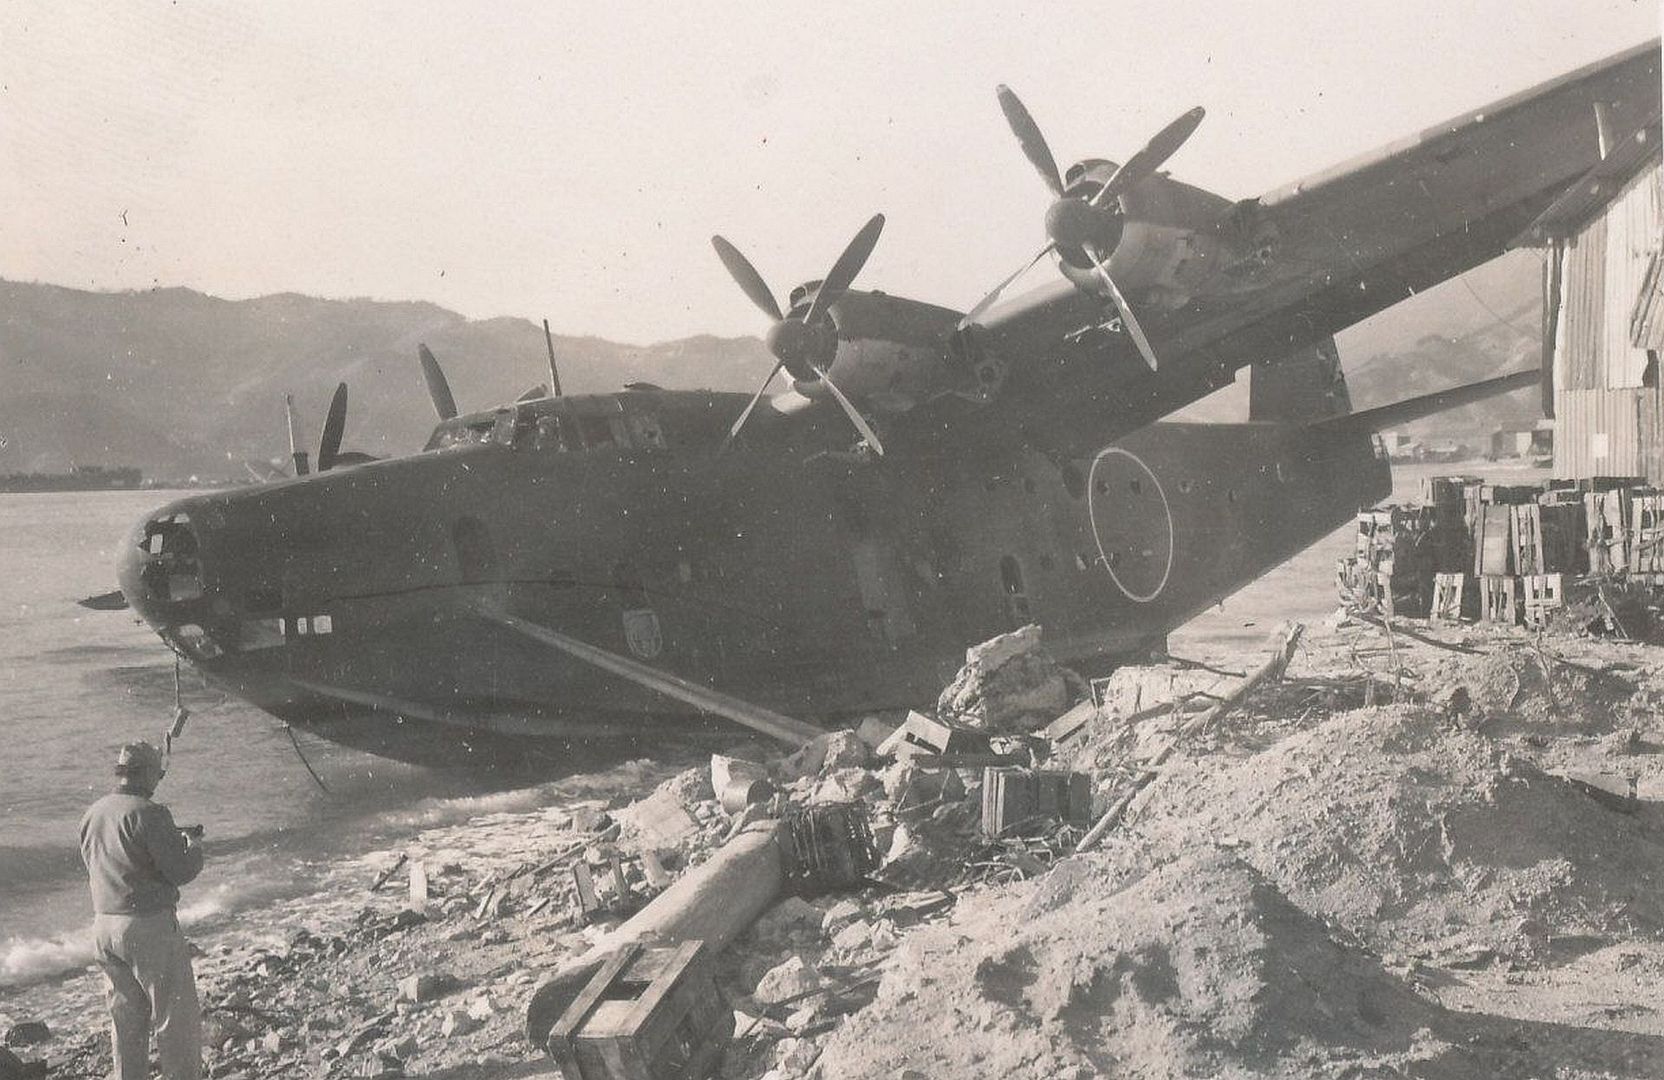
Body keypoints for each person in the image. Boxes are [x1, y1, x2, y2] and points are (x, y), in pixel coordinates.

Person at [79, 741, 204, 1080]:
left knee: (126, 1020)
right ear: (147, 773)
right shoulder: (150, 813)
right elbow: (180, 871)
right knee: (173, 1019)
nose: (158, 781)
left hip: (104, 925)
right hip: (147, 925)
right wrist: (194, 846)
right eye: (158, 774)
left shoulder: (94, 811)